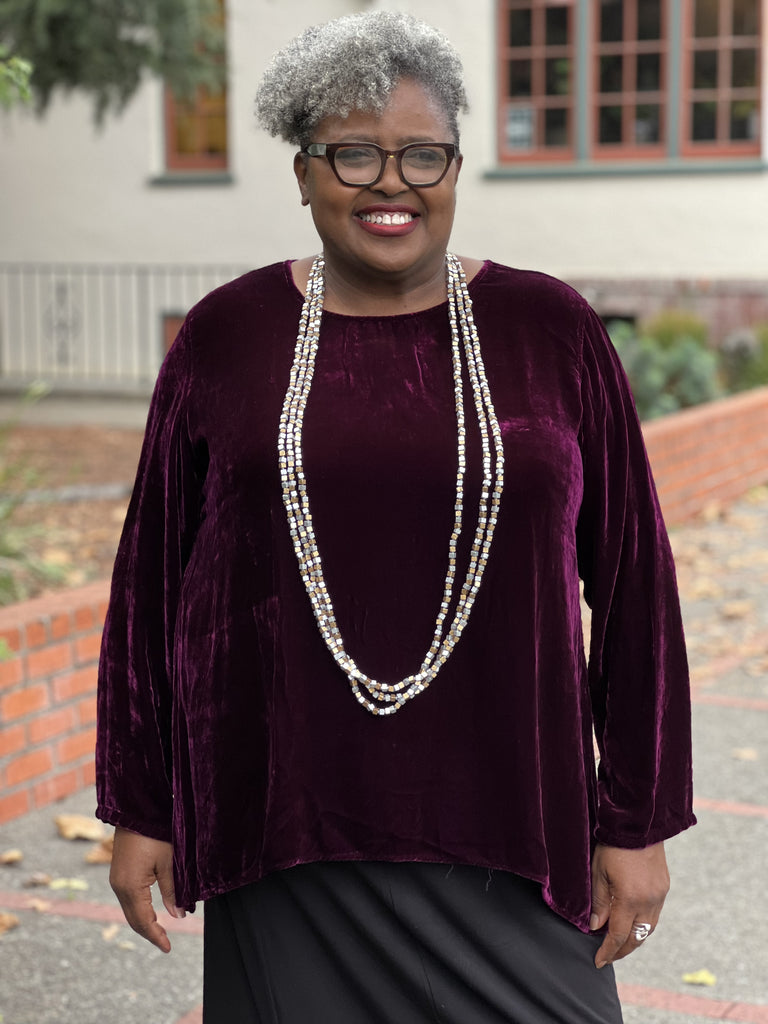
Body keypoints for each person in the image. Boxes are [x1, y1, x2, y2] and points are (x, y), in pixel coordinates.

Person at [96, 11, 696, 1023]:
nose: (391, 183)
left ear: (455, 168)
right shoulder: (226, 338)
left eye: (422, 154)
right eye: (353, 154)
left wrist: (637, 820)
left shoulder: (550, 330)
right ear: (302, 172)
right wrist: (143, 803)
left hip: (517, 834)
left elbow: (637, 590)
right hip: (284, 836)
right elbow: (151, 587)